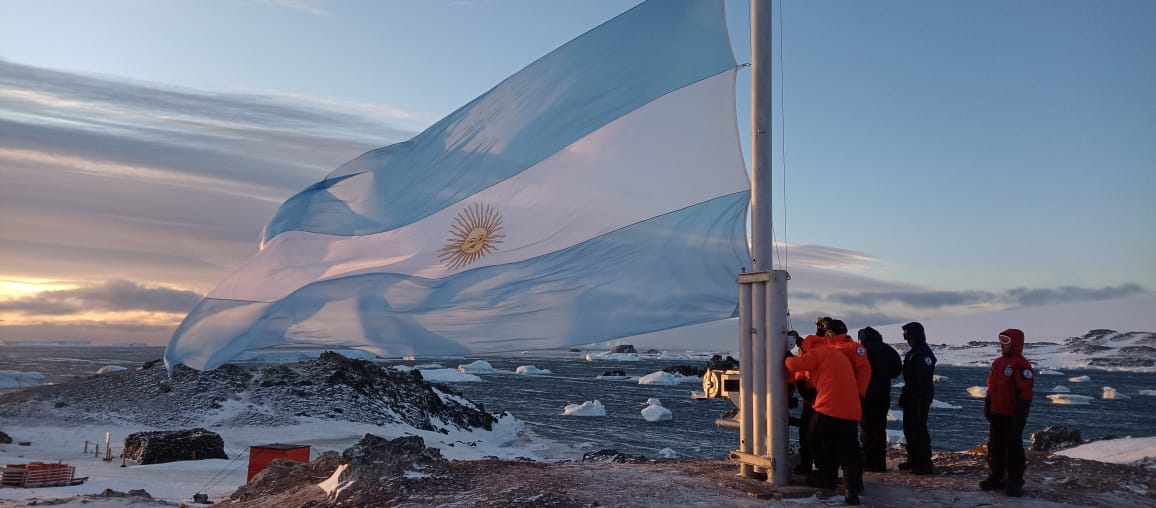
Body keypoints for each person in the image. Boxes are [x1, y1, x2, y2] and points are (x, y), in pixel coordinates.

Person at [786, 335, 864, 505]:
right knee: (848, 449)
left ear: (807, 348)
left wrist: (786, 357)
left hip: (830, 407)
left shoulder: (817, 353)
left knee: (813, 436)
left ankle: (826, 476)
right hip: (852, 410)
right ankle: (852, 489)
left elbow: (793, 365)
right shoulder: (836, 354)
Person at [981, 328, 1034, 497]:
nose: (1002, 344)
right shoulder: (998, 362)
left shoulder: (1021, 364)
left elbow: (1025, 392)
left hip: (1012, 414)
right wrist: (988, 404)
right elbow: (992, 386)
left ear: (1015, 343)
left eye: (1006, 341)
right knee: (995, 447)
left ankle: (1015, 482)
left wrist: (1020, 416)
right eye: (1001, 340)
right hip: (996, 412)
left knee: (1013, 449)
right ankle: (996, 477)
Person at [857, 326, 902, 472]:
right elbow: (897, 369)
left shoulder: (862, 350)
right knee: (880, 427)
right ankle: (879, 461)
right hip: (883, 393)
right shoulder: (888, 350)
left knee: (866, 427)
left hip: (867, 393)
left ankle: (869, 460)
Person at [898, 321, 936, 475]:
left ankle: (923, 463)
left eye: (909, 336)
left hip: (920, 396)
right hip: (911, 394)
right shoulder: (914, 352)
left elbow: (923, 379)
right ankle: (913, 458)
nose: (908, 340)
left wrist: (917, 395)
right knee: (909, 428)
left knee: (919, 428)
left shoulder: (924, 353)